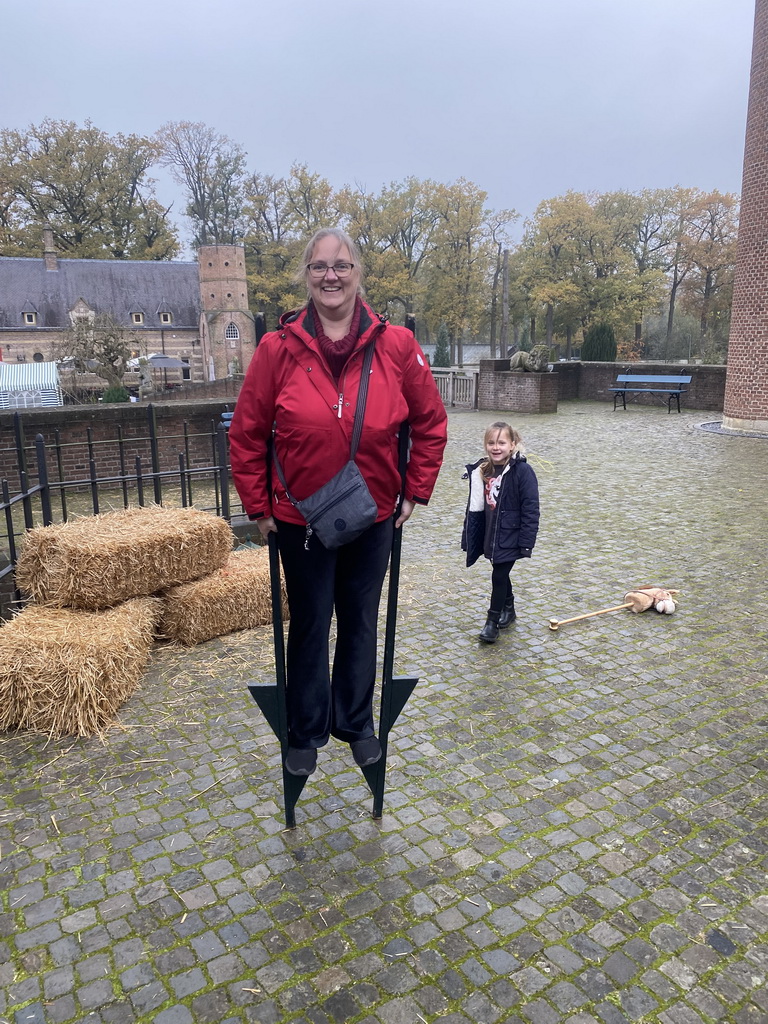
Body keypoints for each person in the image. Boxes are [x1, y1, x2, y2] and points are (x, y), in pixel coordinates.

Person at [228, 227, 447, 777]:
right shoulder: (276, 349)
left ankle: (355, 722)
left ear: (358, 275)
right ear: (307, 275)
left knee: (359, 619)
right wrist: (258, 508)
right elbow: (248, 434)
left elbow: (431, 423)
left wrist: (414, 491)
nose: (331, 275)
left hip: (372, 513)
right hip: (298, 518)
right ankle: (305, 728)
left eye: (342, 266)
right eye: (321, 266)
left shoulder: (395, 345)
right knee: (308, 621)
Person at [461, 421, 540, 644]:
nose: (496, 447)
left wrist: (526, 542)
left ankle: (492, 622)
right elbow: (475, 504)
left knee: (499, 574)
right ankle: (509, 606)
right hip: (490, 531)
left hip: (510, 534)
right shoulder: (483, 469)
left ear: (512, 444)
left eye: (502, 443)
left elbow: (531, 508)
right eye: (491, 443)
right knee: (500, 570)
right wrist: (471, 532)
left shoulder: (522, 472)